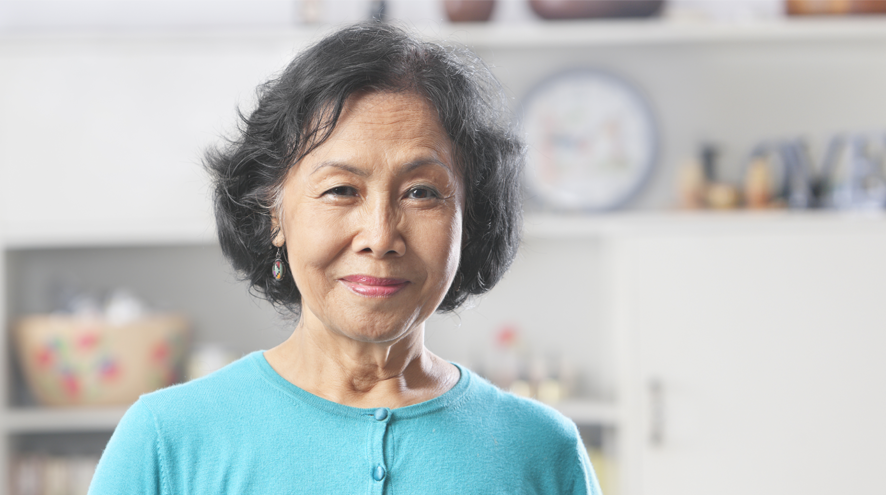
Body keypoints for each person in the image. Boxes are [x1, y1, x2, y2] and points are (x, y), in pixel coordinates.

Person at [89, 22, 602, 494]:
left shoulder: (541, 451)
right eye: (340, 190)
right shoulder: (166, 441)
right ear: (273, 213)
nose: (380, 236)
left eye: (422, 192)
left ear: (472, 217)